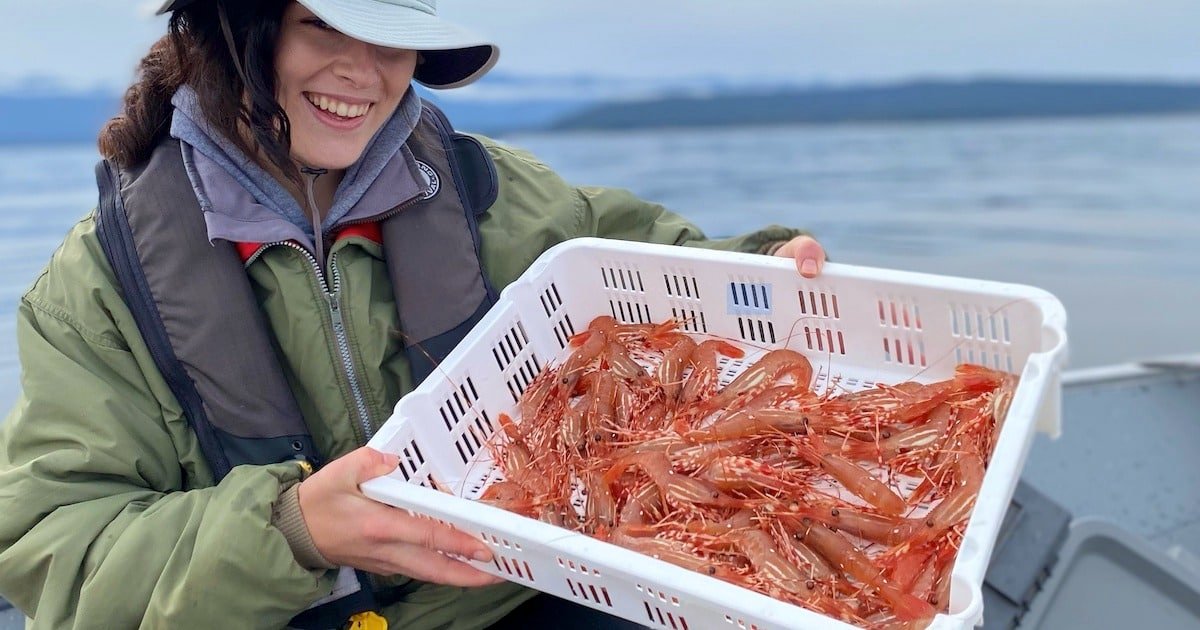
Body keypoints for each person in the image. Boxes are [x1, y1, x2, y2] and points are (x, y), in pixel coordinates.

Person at [0, 0, 827, 628]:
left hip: (510, 599)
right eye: (325, 26)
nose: (364, 71)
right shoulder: (97, 289)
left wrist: (766, 263)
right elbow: (51, 554)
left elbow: (658, 259)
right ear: (235, 29)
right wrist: (289, 531)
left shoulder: (494, 192)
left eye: (391, 36)